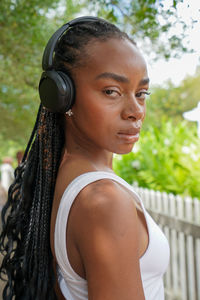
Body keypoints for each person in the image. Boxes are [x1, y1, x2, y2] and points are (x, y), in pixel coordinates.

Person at [0, 16, 170, 300]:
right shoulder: (104, 201)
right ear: (61, 96)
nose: (136, 111)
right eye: (111, 91)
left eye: (141, 93)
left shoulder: (61, 176)